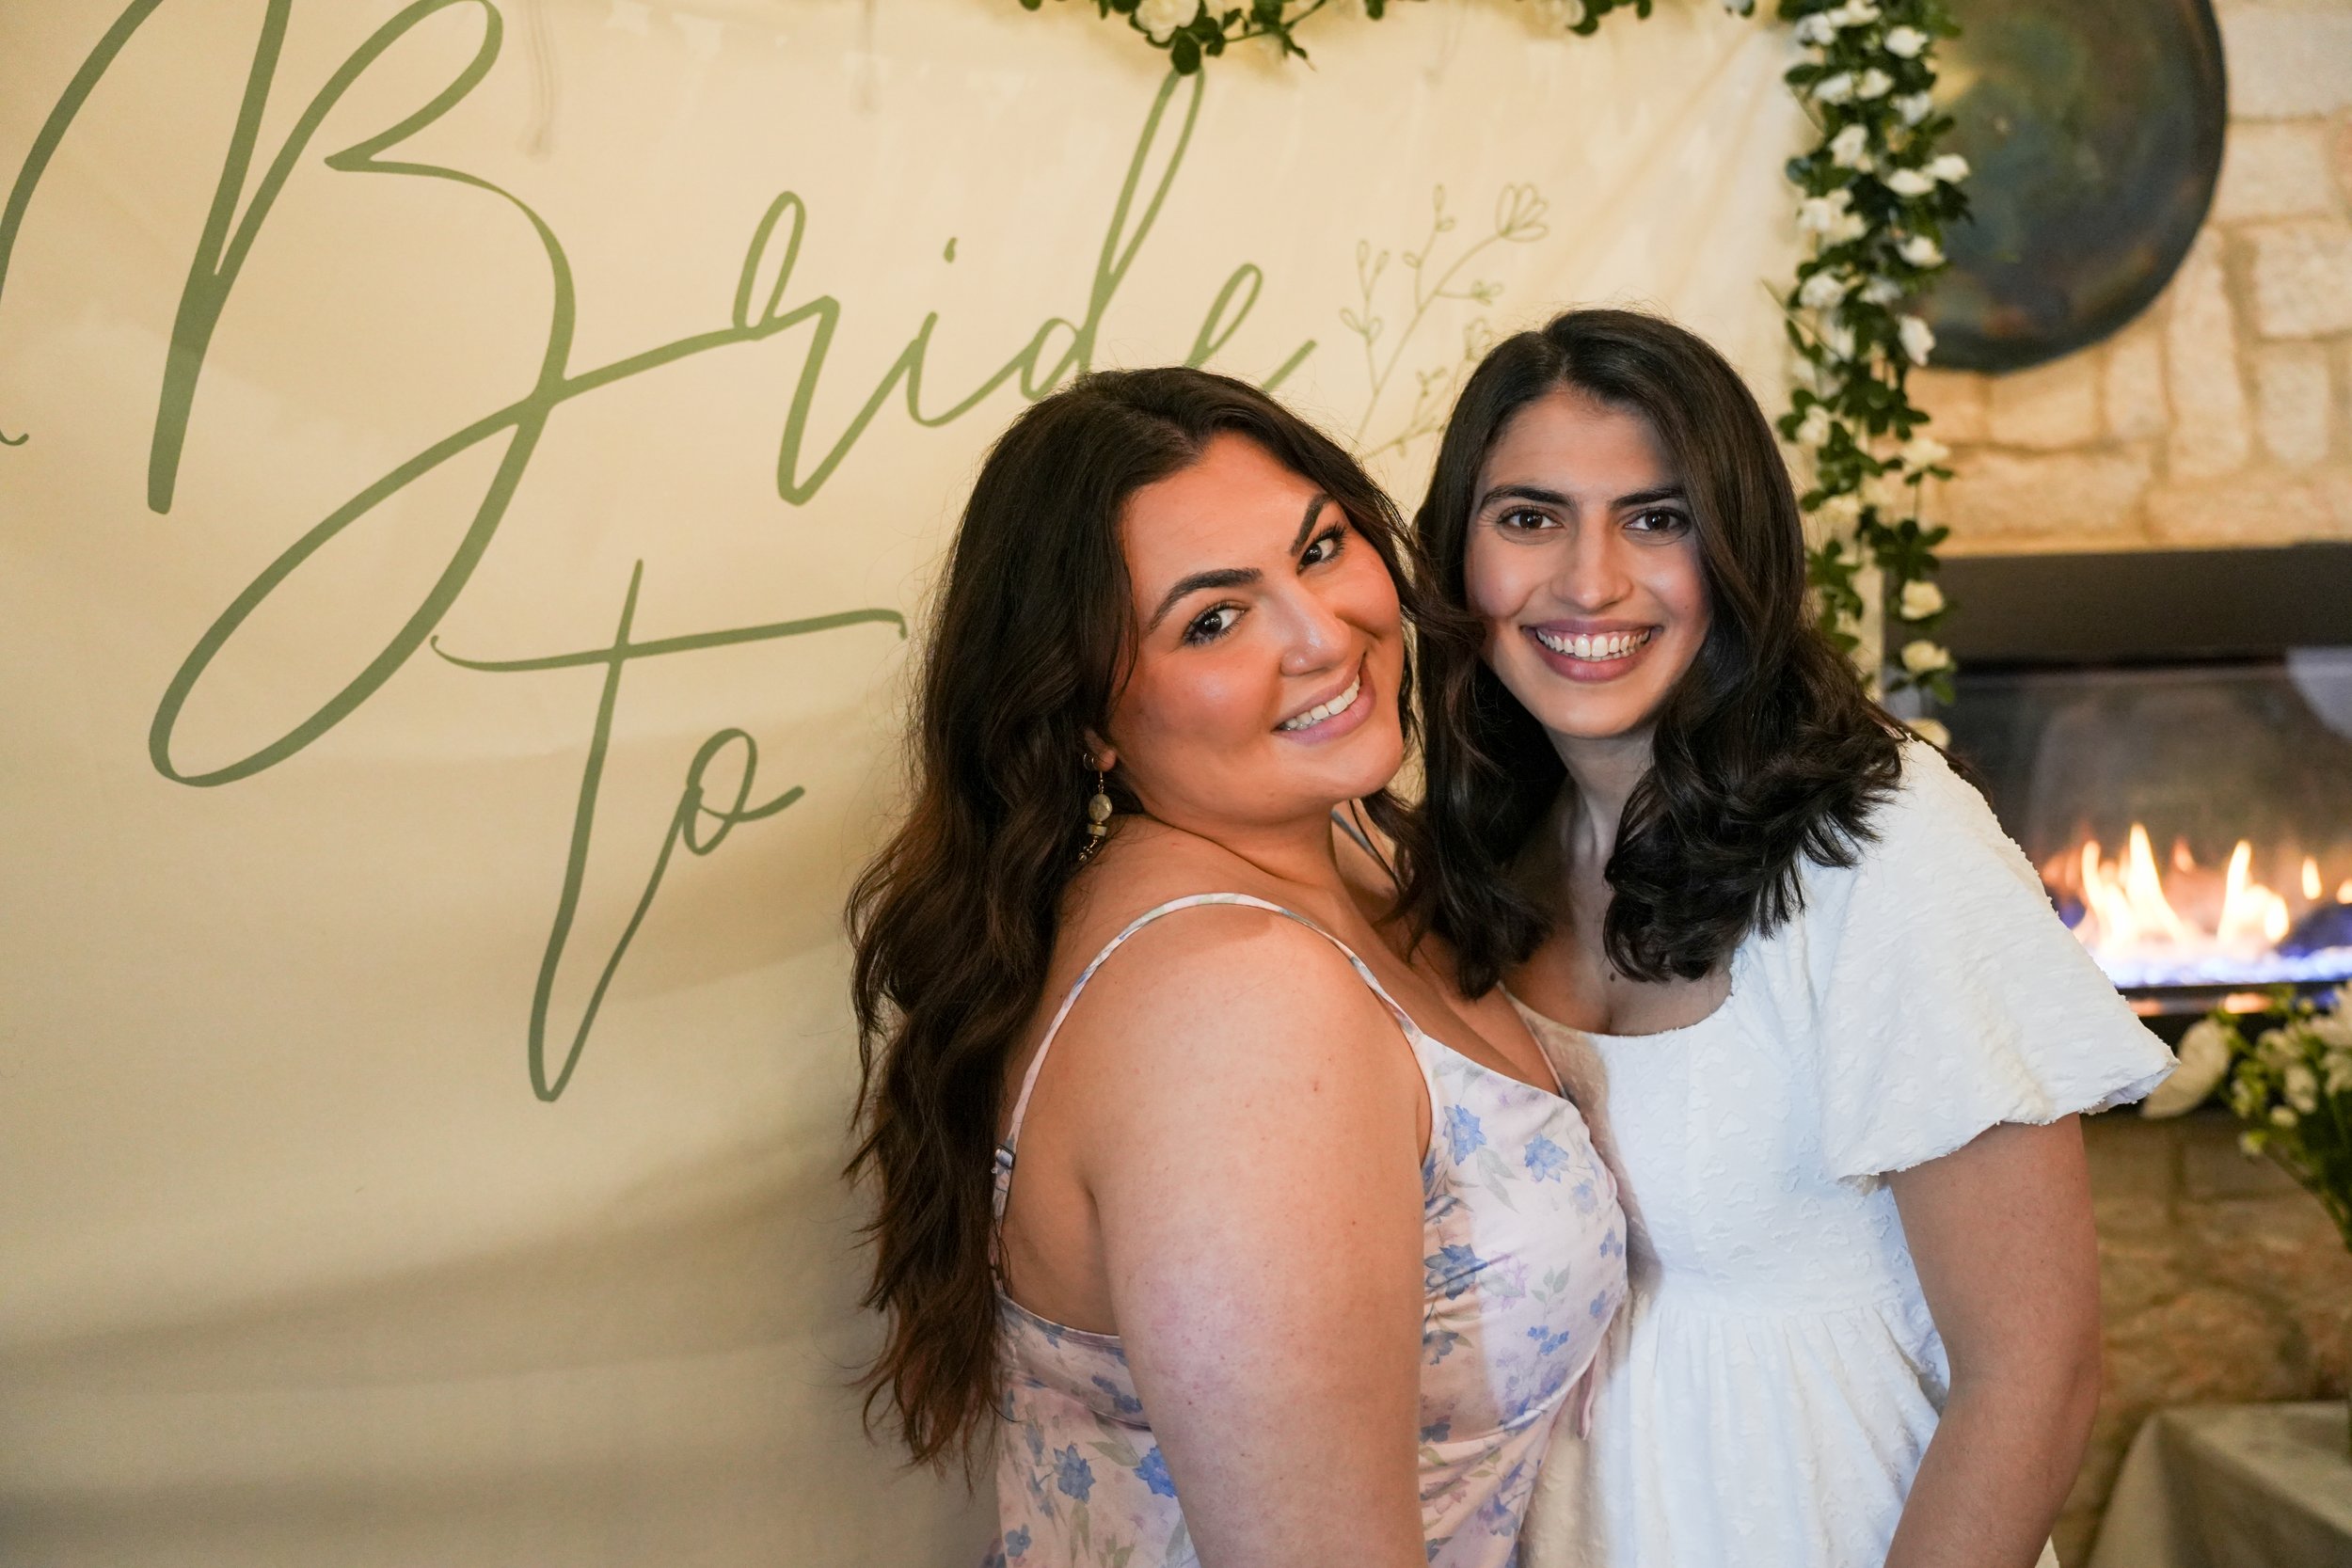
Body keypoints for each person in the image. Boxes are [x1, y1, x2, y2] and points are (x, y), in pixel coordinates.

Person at [1395, 309, 2175, 1568]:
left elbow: (2036, 1372)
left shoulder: (1883, 843)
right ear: (1457, 555)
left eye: (1657, 518)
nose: (1589, 581)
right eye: (1529, 517)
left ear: (1738, 546)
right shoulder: (1475, 850)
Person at [846, 367, 1627, 1568]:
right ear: (1087, 719)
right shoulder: (1237, 1000)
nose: (1323, 636)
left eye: (1319, 549)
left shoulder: (1344, 840)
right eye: (1212, 620)